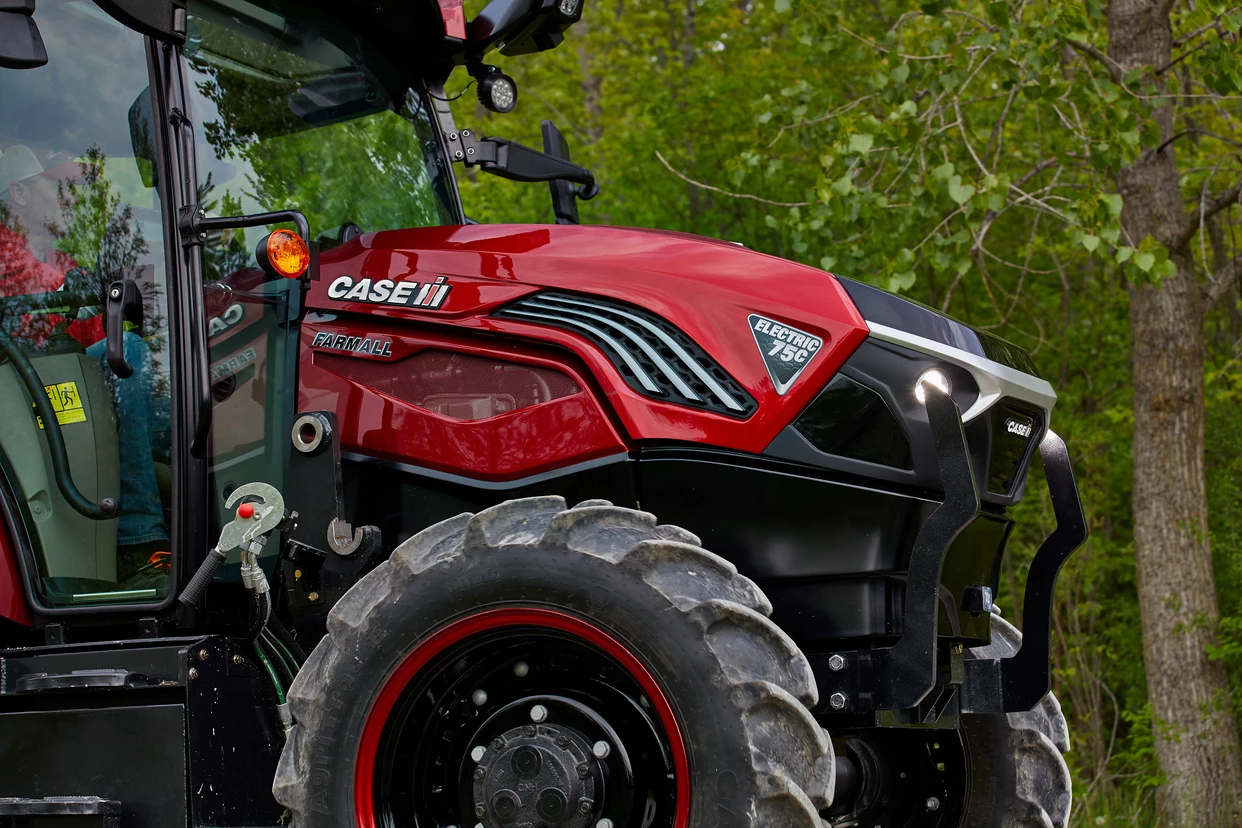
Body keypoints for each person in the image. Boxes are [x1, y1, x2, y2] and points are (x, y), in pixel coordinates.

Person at [0, 142, 168, 582]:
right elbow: (63, 301)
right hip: (23, 407)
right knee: (127, 354)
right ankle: (138, 539)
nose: (73, 199)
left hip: (67, 394)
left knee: (178, 397)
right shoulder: (6, 253)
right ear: (18, 193)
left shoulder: (61, 263)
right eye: (59, 189)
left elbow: (99, 335)